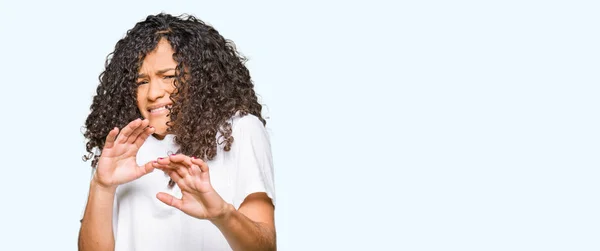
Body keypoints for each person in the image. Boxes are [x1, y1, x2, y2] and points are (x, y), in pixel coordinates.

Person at [78, 13, 276, 251]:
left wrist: (222, 215)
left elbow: (265, 247)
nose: (153, 93)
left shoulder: (238, 130)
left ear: (201, 78)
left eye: (169, 77)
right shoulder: (122, 146)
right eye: (141, 81)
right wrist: (102, 186)